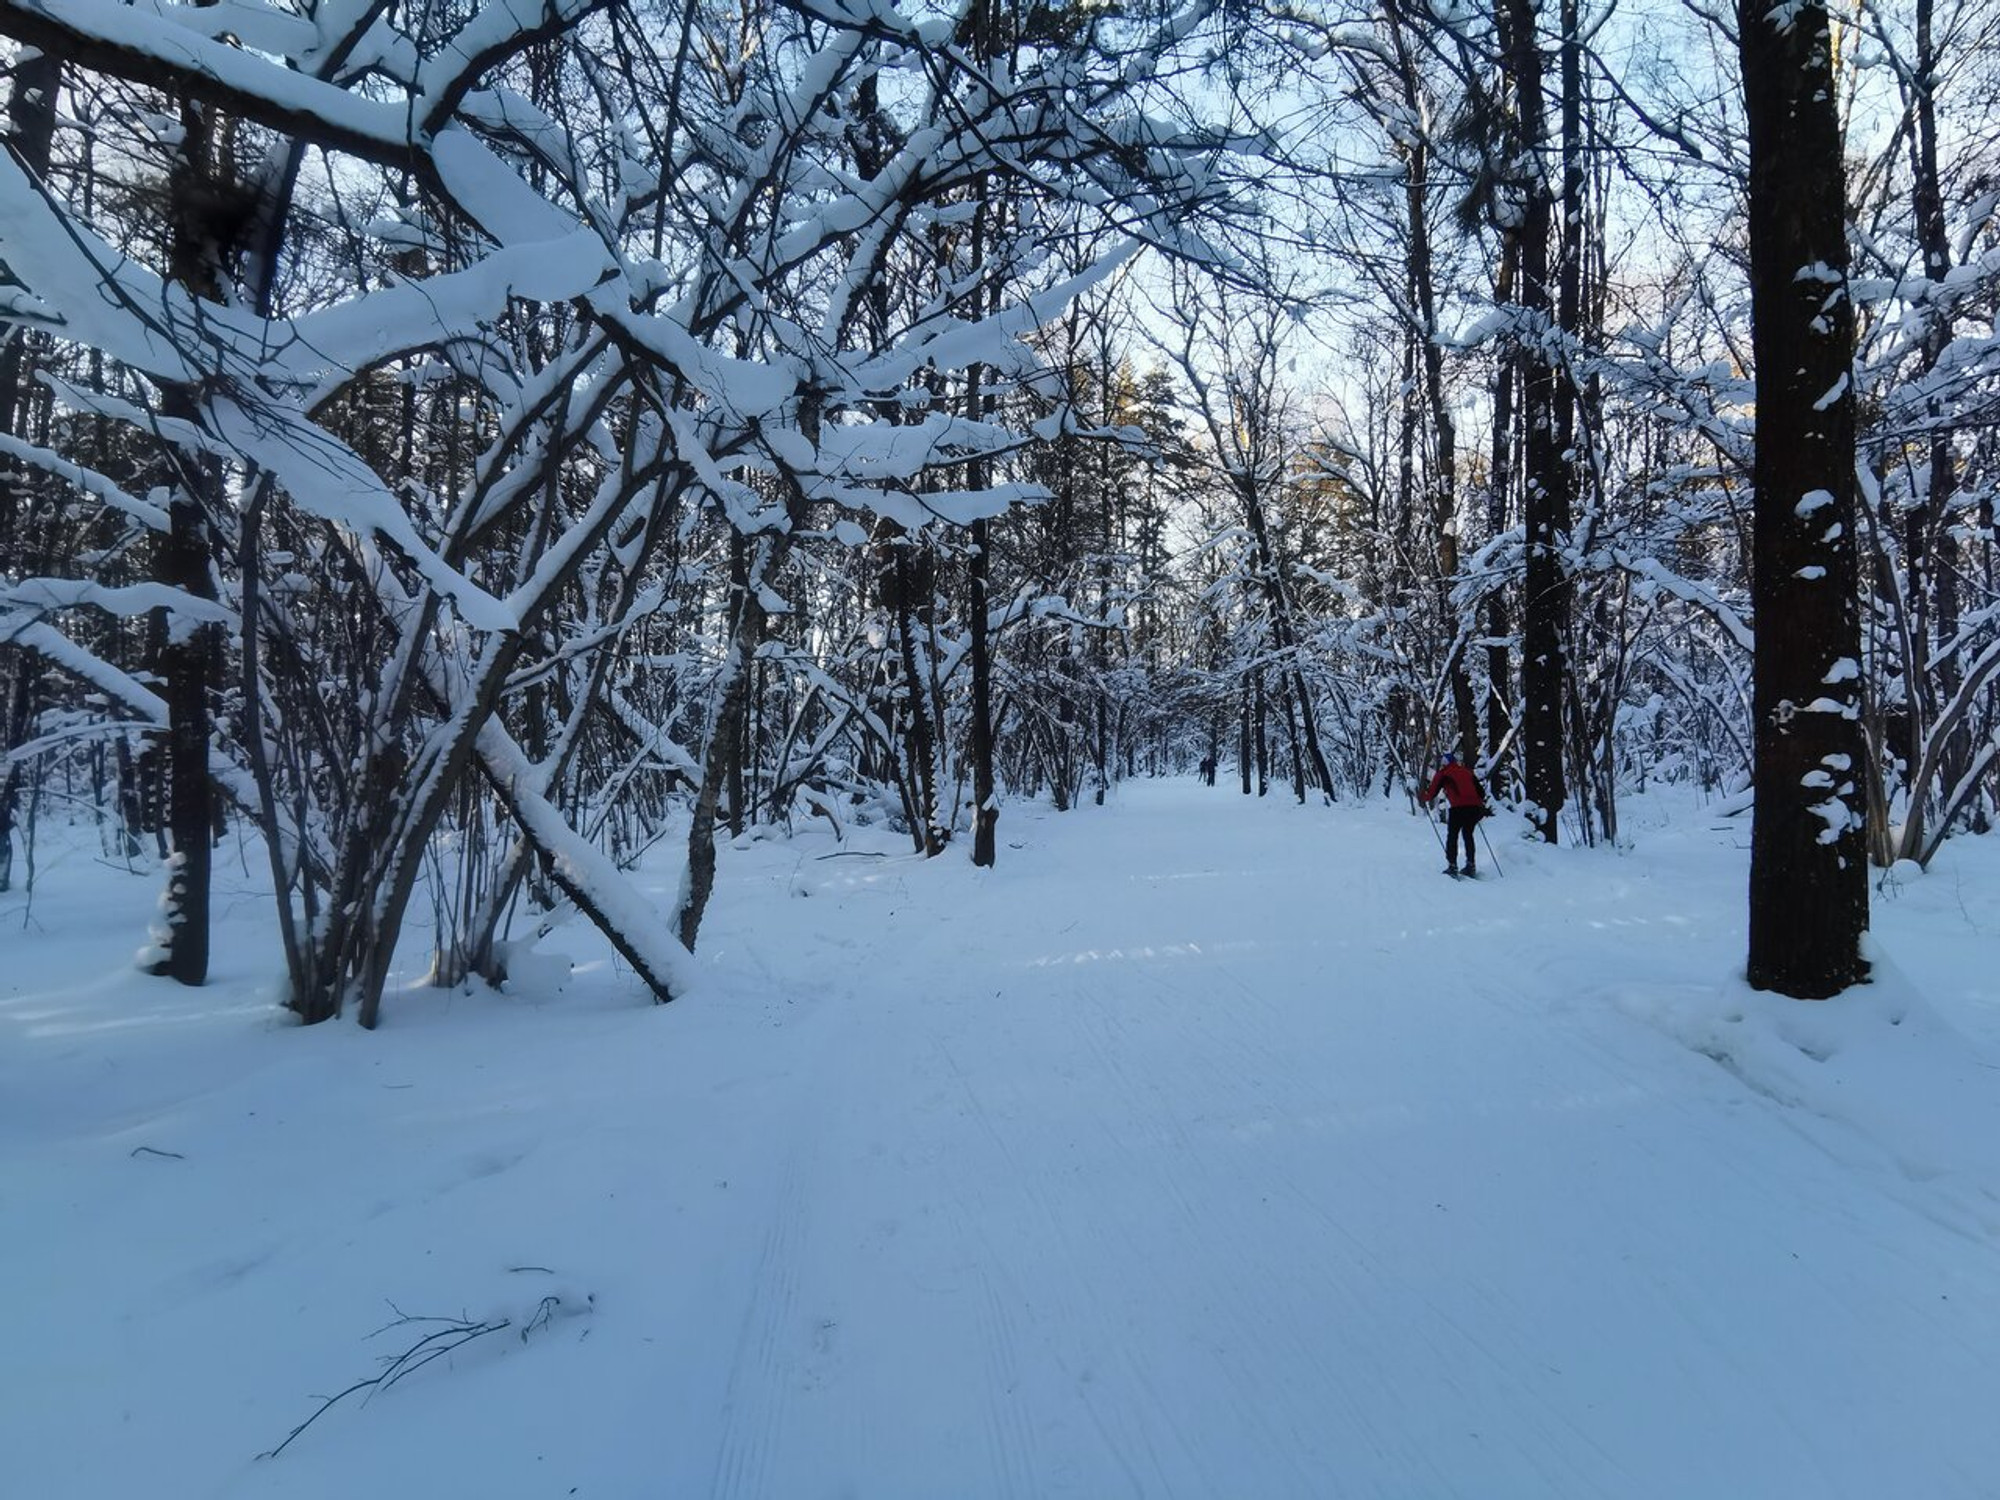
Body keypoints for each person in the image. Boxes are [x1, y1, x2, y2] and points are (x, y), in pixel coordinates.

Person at [1420, 752, 1487, 876]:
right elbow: (1481, 793)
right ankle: (1471, 865)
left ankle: (1452, 866)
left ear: (1444, 763)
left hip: (1458, 808)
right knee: (1468, 834)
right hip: (1475, 808)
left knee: (1453, 835)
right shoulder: (1467, 771)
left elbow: (1432, 793)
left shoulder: (1443, 773)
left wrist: (1422, 796)